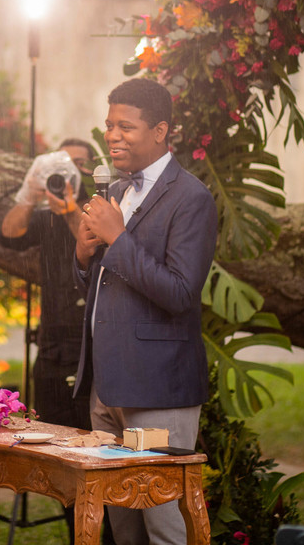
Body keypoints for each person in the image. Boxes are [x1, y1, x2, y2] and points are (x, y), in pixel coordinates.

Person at [74, 78, 218, 545]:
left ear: (160, 131)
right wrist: (82, 255)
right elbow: (104, 283)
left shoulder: (190, 198)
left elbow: (179, 293)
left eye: (126, 127)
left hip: (157, 394)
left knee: (163, 526)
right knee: (124, 524)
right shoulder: (115, 191)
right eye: (109, 125)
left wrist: (118, 238)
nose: (113, 135)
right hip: (109, 391)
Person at [0, 138, 95, 430]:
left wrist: (69, 209)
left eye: (78, 165)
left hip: (90, 347)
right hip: (52, 345)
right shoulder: (47, 216)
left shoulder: (99, 208)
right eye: (62, 165)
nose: (69, 173)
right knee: (48, 433)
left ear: (89, 171)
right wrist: (29, 193)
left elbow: (92, 238)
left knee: (90, 436)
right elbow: (9, 235)